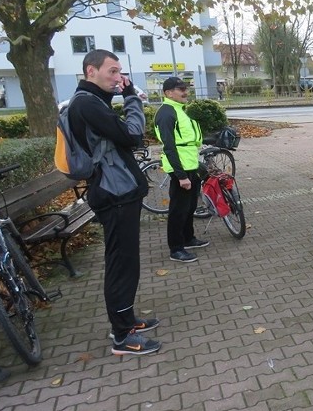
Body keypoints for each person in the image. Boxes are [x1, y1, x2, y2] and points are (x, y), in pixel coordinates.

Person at [67, 49, 160, 356]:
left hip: (117, 192)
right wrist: (132, 97)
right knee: (121, 264)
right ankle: (122, 337)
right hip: (115, 194)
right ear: (90, 71)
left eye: (120, 72)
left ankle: (127, 319)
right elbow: (132, 134)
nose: (118, 77)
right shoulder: (86, 104)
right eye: (112, 71)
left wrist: (120, 95)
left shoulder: (92, 102)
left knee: (127, 261)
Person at [154, 77, 208, 263]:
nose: (185, 92)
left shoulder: (178, 110)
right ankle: (176, 248)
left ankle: (188, 238)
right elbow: (169, 147)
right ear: (168, 93)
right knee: (178, 209)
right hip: (180, 169)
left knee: (190, 205)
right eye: (180, 89)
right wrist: (181, 175)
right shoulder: (166, 113)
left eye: (186, 88)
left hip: (190, 164)